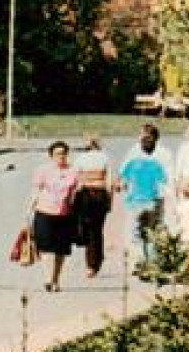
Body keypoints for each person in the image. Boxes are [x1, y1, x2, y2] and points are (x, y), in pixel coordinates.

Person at [26, 140, 80, 292]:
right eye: (57, 154)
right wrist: (29, 209)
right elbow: (35, 190)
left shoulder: (74, 171)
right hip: (44, 212)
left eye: (63, 153)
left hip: (65, 215)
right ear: (51, 156)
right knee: (45, 248)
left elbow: (76, 192)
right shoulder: (43, 170)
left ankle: (56, 279)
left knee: (61, 250)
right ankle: (48, 279)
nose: (61, 157)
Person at [116, 125, 171, 269]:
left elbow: (168, 178)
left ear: (155, 138)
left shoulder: (162, 154)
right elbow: (123, 174)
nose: (143, 139)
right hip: (139, 199)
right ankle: (143, 262)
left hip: (153, 199)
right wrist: (121, 184)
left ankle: (149, 261)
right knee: (139, 230)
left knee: (148, 230)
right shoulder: (134, 152)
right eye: (141, 136)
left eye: (147, 136)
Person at [70, 133, 113, 278]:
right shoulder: (105, 157)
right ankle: (95, 259)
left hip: (85, 195)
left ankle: (93, 261)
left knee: (87, 229)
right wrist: (110, 201)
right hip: (100, 195)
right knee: (97, 229)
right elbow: (110, 181)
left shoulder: (80, 159)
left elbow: (74, 179)